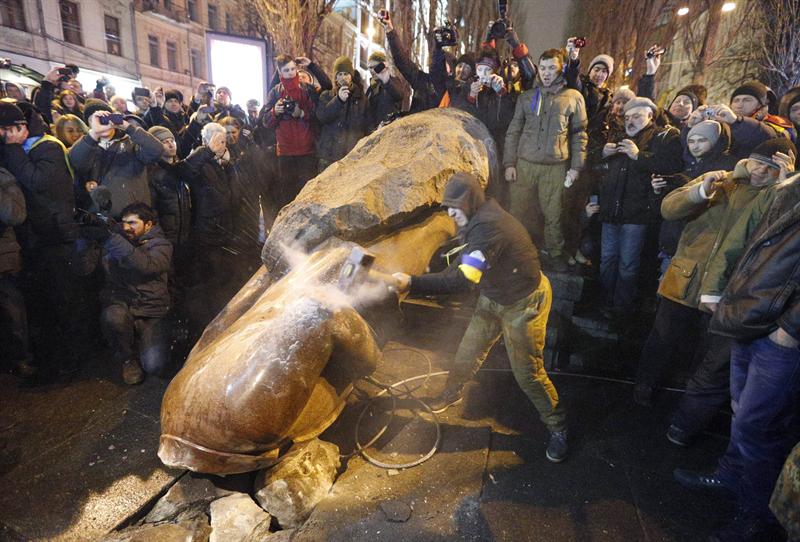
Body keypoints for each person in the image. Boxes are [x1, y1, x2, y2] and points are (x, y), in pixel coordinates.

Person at [393, 173, 568, 461]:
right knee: (468, 350)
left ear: (471, 202)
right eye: (447, 206)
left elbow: (462, 281)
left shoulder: (489, 227)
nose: (449, 212)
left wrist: (411, 283)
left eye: (455, 205)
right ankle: (451, 391)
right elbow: (462, 264)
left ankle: (558, 427)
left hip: (523, 302)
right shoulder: (477, 219)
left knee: (528, 374)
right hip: (495, 295)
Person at [675, 172, 800, 541]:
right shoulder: (788, 187)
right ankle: (730, 475)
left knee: (758, 426)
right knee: (741, 409)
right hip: (752, 315)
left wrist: (790, 329)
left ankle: (756, 516)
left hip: (780, 331)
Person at [633, 138, 795, 416]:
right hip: (686, 275)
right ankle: (644, 386)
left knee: (706, 348)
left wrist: (787, 182)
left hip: (727, 286)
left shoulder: (777, 196)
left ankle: (685, 400)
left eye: (770, 168)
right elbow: (668, 208)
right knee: (662, 337)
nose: (760, 171)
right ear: (749, 159)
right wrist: (699, 191)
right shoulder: (723, 181)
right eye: (758, 162)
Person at [0, 101, 81, 378]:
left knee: (63, 301)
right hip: (33, 240)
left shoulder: (48, 147)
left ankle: (73, 361)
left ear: (20, 128)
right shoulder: (18, 150)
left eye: (6, 131)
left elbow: (38, 182)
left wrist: (10, 150)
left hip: (56, 237)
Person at [504, 48, 588, 271]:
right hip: (525, 164)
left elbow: (579, 134)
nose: (547, 73)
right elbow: (514, 130)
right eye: (543, 68)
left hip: (555, 166)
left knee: (554, 214)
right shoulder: (528, 96)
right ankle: (512, 251)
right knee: (517, 210)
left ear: (561, 69)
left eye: (552, 67)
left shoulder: (573, 98)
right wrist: (509, 163)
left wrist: (576, 167)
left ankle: (555, 253)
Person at [597, 97, 683, 314]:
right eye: (627, 117)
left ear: (650, 116)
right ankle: (605, 302)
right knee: (607, 260)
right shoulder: (617, 137)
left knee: (628, 265)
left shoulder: (661, 138)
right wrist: (602, 154)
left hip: (636, 215)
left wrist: (638, 156)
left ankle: (621, 308)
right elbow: (598, 168)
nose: (631, 121)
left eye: (637, 116)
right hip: (611, 212)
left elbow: (670, 165)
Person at [74, 202, 173, 385]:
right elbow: (83, 269)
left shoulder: (161, 244)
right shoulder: (115, 240)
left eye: (133, 223)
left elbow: (146, 265)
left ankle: (145, 339)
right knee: (113, 317)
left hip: (151, 311)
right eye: (124, 222)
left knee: (155, 366)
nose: (126, 227)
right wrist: (86, 240)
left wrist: (110, 239)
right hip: (123, 305)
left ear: (148, 225)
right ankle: (127, 358)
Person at [69, 99, 163, 219]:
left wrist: (128, 127)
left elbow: (156, 151)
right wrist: (94, 135)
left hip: (133, 218)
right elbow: (77, 162)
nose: (102, 122)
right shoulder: (85, 145)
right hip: (97, 221)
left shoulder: (131, 143)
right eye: (95, 119)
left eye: (106, 117)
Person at [263, 54, 321, 209]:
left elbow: (318, 115)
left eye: (293, 69)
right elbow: (265, 122)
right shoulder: (275, 92)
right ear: (280, 72)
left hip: (307, 151)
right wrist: (275, 111)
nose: (291, 73)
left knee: (308, 196)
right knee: (288, 197)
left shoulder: (306, 89)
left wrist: (302, 114)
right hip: (285, 153)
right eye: (286, 70)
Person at [0, 167, 30, 376]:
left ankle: (21, 358)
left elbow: (15, 214)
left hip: (3, 258)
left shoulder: (3, 176)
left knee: (12, 313)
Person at [316, 56, 368, 170]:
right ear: (335, 77)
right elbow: (323, 117)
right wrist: (338, 100)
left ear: (351, 76)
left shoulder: (361, 98)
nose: (343, 77)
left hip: (351, 154)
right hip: (329, 154)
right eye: (339, 74)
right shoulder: (326, 95)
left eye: (346, 74)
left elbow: (366, 124)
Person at [365, 51, 405, 133]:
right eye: (370, 67)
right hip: (373, 135)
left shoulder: (393, 81)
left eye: (375, 67)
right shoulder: (370, 89)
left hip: (389, 132)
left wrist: (386, 81)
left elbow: (399, 95)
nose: (372, 70)